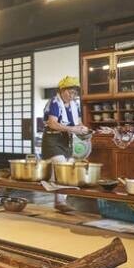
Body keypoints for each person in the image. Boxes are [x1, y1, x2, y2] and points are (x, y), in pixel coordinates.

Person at [42, 76, 89, 212]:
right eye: (70, 92)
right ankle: (58, 199)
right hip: (52, 140)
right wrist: (72, 129)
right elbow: (52, 123)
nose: (72, 95)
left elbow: (77, 123)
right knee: (60, 165)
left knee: (66, 170)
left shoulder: (75, 105)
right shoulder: (55, 102)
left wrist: (83, 129)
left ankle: (60, 202)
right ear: (61, 90)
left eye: (74, 93)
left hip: (66, 140)